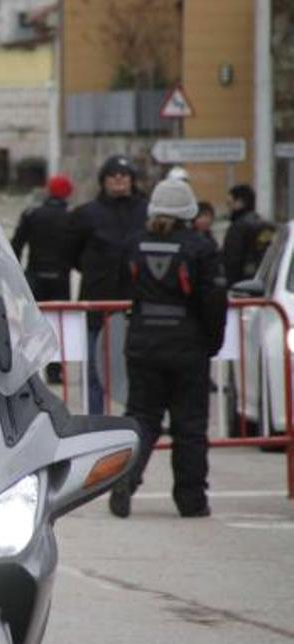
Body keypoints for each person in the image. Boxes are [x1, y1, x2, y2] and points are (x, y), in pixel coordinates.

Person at [112, 179, 226, 519]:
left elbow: (122, 287)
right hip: (188, 347)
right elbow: (213, 301)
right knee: (189, 426)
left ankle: (125, 477)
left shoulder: (135, 244)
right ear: (189, 212)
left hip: (143, 344)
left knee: (142, 417)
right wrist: (212, 342)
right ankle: (191, 500)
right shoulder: (201, 248)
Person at [66, 155, 148, 414]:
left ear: (133, 180)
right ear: (103, 181)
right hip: (98, 302)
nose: (119, 180)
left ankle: (137, 419)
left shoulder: (147, 211)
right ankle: (96, 421)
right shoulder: (86, 214)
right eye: (113, 176)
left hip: (138, 302)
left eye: (124, 176)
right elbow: (71, 254)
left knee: (138, 368)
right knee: (95, 370)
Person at [11, 173, 74, 384]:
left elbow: (16, 246)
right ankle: (55, 372)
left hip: (34, 276)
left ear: (48, 191)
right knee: (57, 325)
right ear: (68, 194)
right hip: (60, 278)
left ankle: (28, 371)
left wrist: (15, 274)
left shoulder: (32, 214)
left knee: (30, 324)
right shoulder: (71, 218)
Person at [222, 184, 276, 285]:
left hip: (242, 283)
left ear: (240, 203)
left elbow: (232, 260)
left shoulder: (238, 228)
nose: (228, 209)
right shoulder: (267, 226)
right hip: (266, 281)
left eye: (230, 204)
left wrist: (231, 283)